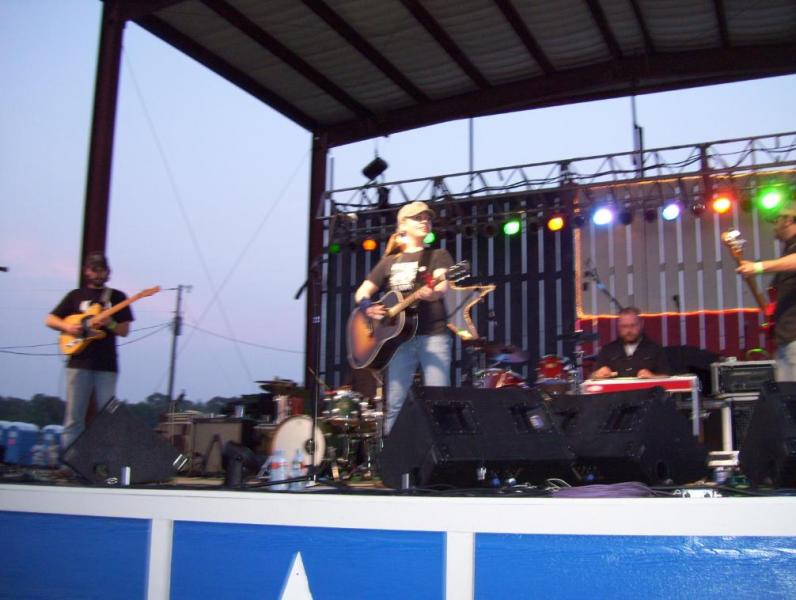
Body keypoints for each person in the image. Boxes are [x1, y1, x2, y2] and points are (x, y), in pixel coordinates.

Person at [354, 201, 453, 434]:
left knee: (439, 400)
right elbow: (362, 292)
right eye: (418, 218)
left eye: (427, 218)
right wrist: (368, 307)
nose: (425, 221)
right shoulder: (389, 261)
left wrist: (433, 293)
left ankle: (440, 452)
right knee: (396, 403)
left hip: (433, 335)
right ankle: (393, 454)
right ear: (402, 225)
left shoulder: (438, 255)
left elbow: (442, 285)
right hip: (398, 341)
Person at [45, 252, 133, 451]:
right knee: (74, 418)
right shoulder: (75, 296)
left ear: (108, 272)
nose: (99, 274)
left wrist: (109, 322)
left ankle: (104, 461)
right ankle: (71, 462)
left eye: (102, 270)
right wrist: (68, 327)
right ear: (87, 271)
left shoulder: (117, 297)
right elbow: (49, 319)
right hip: (78, 362)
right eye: (95, 269)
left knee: (108, 415)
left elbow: (124, 330)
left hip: (107, 365)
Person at [736, 207, 796, 380]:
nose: (774, 227)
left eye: (777, 221)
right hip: (786, 339)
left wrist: (758, 267)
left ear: (788, 220)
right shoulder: (788, 249)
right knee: (787, 394)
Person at [591, 306, 670, 379]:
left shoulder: (655, 349)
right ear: (618, 327)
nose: (629, 330)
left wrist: (652, 377)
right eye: (624, 326)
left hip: (646, 390)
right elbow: (591, 377)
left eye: (633, 325)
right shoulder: (607, 350)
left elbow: (667, 376)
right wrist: (597, 374)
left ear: (641, 324)